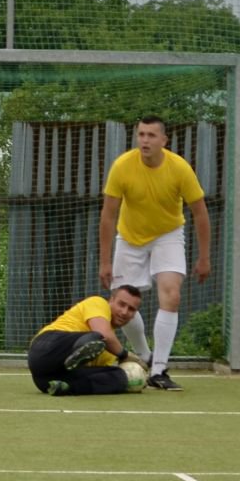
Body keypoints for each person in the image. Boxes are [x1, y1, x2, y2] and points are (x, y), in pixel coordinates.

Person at [99, 115, 211, 391]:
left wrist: (204, 257)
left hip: (168, 235)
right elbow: (108, 215)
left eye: (151, 135)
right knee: (122, 305)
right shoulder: (122, 166)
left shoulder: (180, 168)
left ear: (164, 140)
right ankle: (144, 356)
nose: (145, 140)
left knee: (171, 294)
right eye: (141, 134)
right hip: (129, 238)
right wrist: (104, 261)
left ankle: (159, 369)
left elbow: (200, 213)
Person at [28, 285, 148, 396]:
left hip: (45, 379)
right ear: (111, 300)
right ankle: (75, 352)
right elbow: (104, 334)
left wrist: (136, 377)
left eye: (131, 309)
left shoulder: (111, 353)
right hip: (45, 348)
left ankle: (67, 387)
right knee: (96, 337)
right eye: (121, 304)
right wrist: (125, 355)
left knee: (118, 375)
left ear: (134, 315)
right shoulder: (98, 303)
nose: (124, 312)